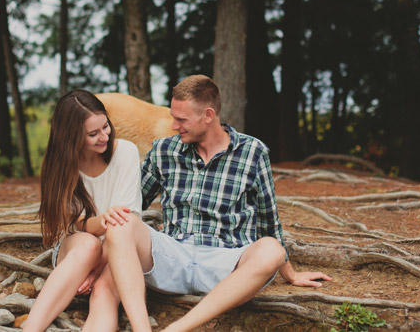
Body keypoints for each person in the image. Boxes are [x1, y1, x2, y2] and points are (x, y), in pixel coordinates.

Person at [94, 75, 331, 332]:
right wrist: (97, 260)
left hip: (225, 263)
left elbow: (268, 220)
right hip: (170, 257)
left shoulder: (253, 152)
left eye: (181, 120)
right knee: (121, 222)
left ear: (208, 115)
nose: (174, 126)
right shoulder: (164, 150)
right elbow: (130, 205)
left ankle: (177, 329)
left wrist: (291, 274)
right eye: (173, 117)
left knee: (272, 250)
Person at [22, 90, 142, 332]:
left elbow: (124, 225)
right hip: (77, 251)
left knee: (102, 293)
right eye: (92, 134)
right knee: (89, 244)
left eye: (105, 126)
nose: (104, 137)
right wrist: (91, 261)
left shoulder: (126, 153)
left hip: (121, 248)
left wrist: (95, 271)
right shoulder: (62, 165)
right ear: (72, 136)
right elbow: (81, 226)